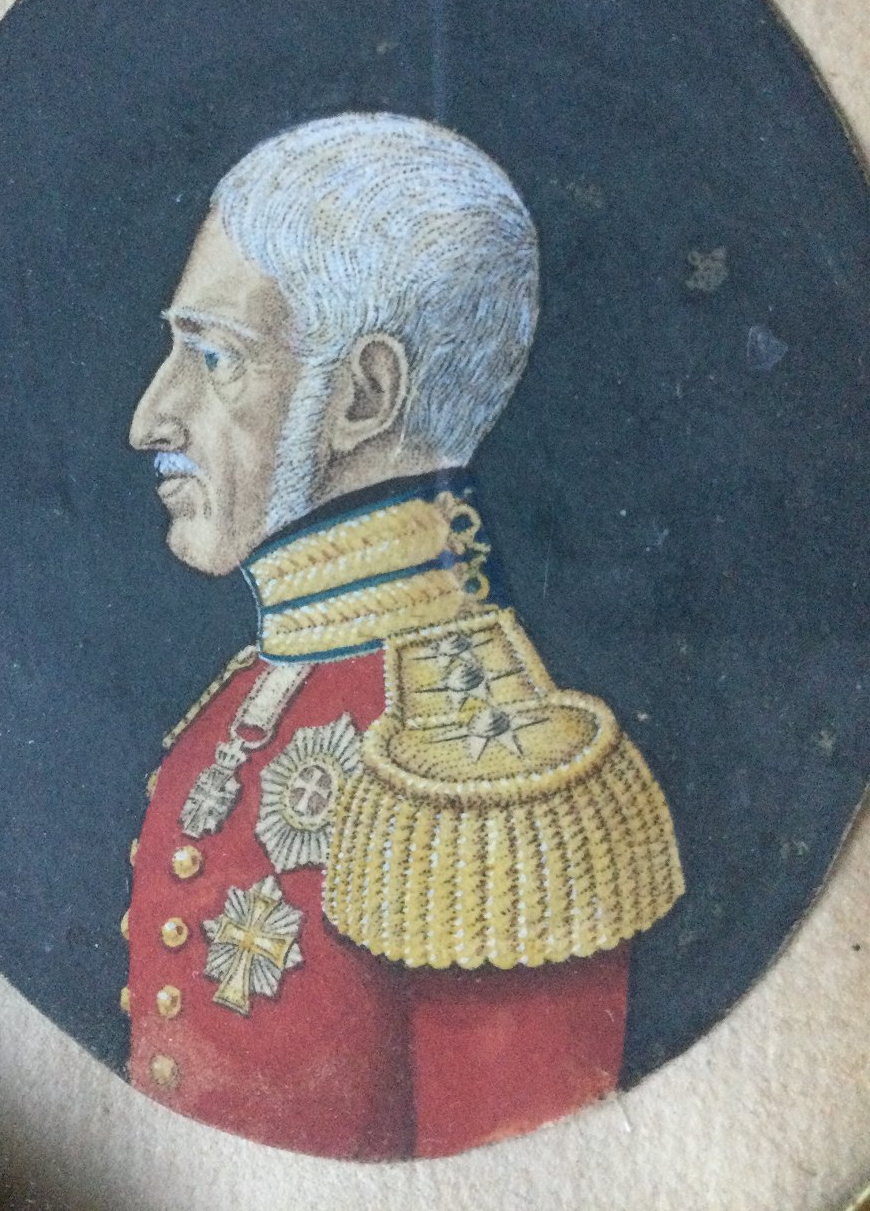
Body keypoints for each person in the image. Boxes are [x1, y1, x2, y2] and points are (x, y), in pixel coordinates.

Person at [122, 112, 683, 1159]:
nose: (151, 417)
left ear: (364, 396)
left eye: (214, 356)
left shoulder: (493, 781)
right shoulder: (255, 690)